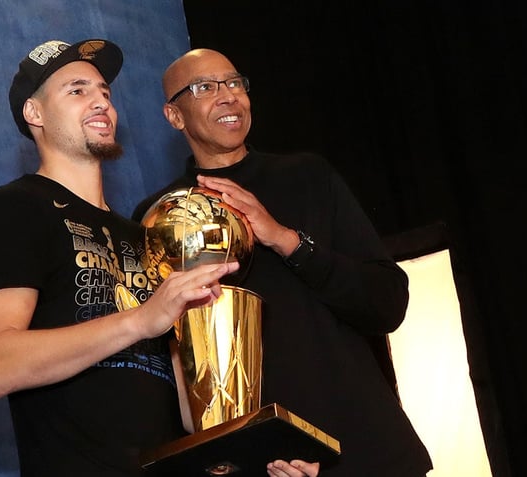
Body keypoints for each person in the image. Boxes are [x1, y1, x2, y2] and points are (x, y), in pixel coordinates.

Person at [132, 49, 434, 477]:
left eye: (235, 82)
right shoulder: (158, 220)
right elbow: (172, 370)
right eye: (204, 88)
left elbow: (387, 303)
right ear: (174, 115)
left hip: (368, 454)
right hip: (267, 464)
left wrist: (286, 241)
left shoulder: (308, 177)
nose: (227, 96)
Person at [0, 39, 239, 477]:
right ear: (34, 114)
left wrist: (253, 442)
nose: (101, 103)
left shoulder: (143, 235)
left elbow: (189, 408)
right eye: (77, 91)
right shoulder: (15, 210)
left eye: (104, 93)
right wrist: (141, 320)